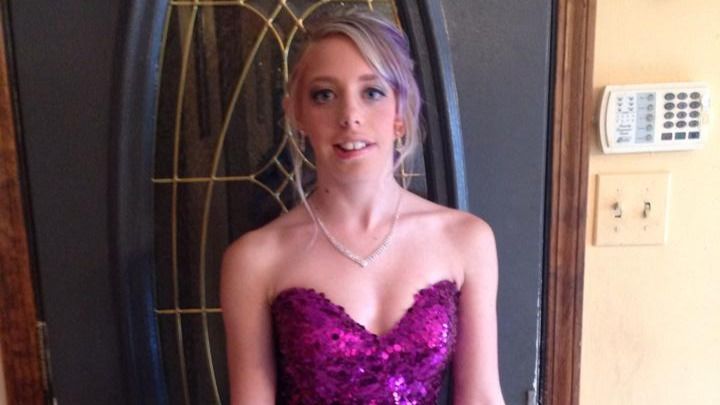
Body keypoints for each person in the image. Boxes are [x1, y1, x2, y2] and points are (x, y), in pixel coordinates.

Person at [221, 9, 505, 405]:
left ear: (400, 112)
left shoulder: (466, 240)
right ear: (298, 113)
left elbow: (481, 397)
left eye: (372, 92)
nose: (350, 117)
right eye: (324, 95)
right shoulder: (255, 260)